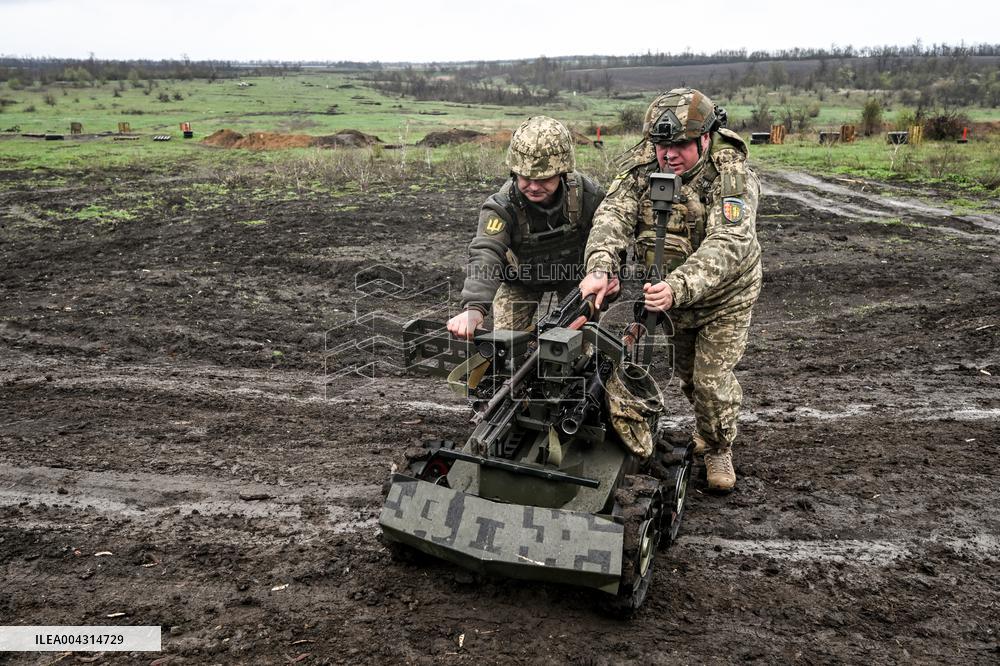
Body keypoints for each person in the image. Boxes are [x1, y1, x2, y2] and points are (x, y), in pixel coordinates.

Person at [579, 88, 762, 492]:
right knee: (689, 377)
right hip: (667, 294)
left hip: (723, 297)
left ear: (706, 138)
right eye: (662, 147)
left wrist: (676, 288)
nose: (669, 156)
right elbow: (613, 215)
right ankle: (707, 424)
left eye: (680, 147)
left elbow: (728, 245)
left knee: (712, 381)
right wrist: (599, 267)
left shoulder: (730, 176)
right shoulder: (644, 165)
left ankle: (716, 446)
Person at [447, 116, 605, 338]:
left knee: (584, 347)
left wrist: (607, 277)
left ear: (562, 173)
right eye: (525, 177)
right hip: (521, 280)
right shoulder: (502, 205)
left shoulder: (588, 196)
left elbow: (607, 239)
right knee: (504, 347)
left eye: (544, 179)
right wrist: (474, 308)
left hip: (575, 280)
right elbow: (486, 252)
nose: (533, 186)